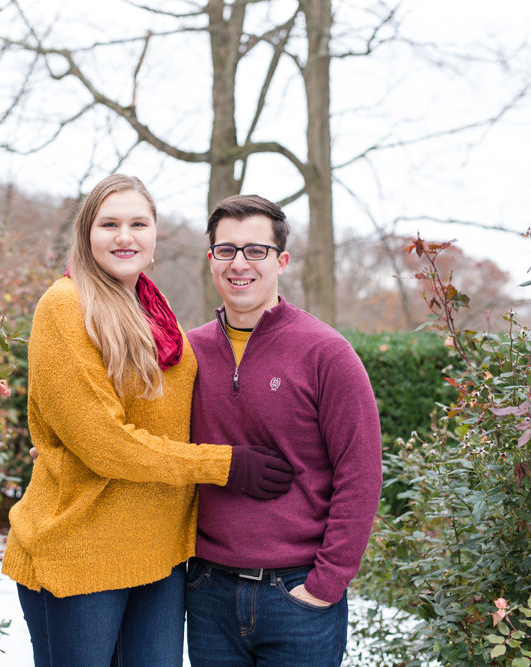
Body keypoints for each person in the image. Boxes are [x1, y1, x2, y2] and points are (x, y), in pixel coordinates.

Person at [0, 175, 293, 667]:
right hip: (83, 548)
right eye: (109, 224)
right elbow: (105, 443)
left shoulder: (157, 314)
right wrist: (225, 464)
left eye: (138, 223)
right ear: (86, 234)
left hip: (161, 552)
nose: (124, 236)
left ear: (155, 235)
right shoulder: (65, 306)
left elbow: (183, 414)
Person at [184, 194, 383, 666]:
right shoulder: (186, 353)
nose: (240, 264)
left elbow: (360, 473)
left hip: (297, 595)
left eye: (256, 250)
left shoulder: (326, 353)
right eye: (226, 250)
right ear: (211, 259)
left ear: (282, 261)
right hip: (207, 591)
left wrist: (326, 583)